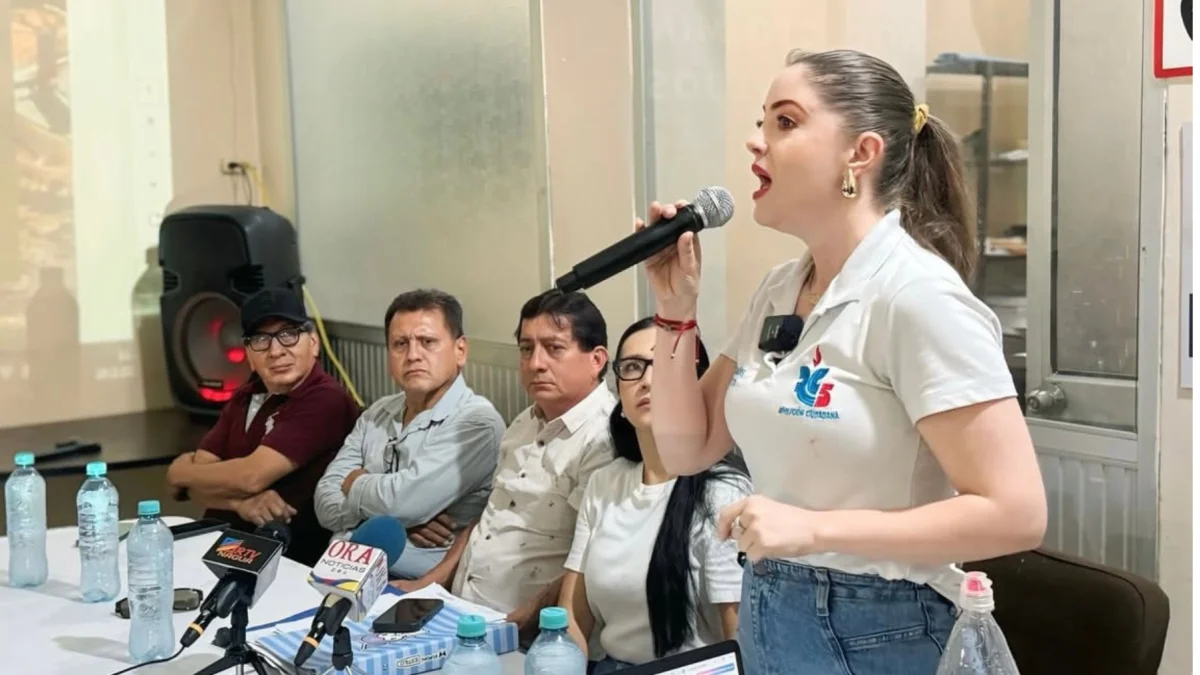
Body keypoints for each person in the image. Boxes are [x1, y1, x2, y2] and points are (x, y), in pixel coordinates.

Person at [640, 49, 1047, 675]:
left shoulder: (916, 297)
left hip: (884, 623)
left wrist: (812, 529)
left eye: (784, 122)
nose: (756, 142)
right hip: (772, 606)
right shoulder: (781, 286)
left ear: (860, 153)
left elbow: (1016, 513)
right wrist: (674, 310)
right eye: (762, 121)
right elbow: (685, 448)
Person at [401, 289, 616, 639]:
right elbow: (491, 514)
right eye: (526, 349)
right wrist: (428, 584)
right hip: (463, 614)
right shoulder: (524, 422)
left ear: (597, 359)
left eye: (554, 348)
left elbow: (587, 560)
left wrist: (522, 623)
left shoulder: (605, 438)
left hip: (528, 634)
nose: (535, 363)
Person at [560, 317, 750, 673]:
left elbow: (739, 640)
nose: (647, 380)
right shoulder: (605, 482)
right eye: (632, 367)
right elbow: (573, 614)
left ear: (699, 383)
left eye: (666, 367)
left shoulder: (723, 492)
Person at [314, 289, 506, 579]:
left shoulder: (477, 423)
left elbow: (402, 502)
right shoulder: (377, 413)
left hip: (421, 588)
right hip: (342, 573)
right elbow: (325, 504)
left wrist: (357, 484)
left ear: (460, 351)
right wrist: (401, 521)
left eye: (428, 342)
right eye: (400, 344)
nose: (413, 355)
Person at [166, 287, 361, 566]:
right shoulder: (246, 395)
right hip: (220, 544)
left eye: (289, 334)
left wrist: (180, 471)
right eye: (261, 339)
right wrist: (240, 504)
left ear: (314, 343)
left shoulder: (325, 399)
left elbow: (249, 477)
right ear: (248, 354)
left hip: (287, 558)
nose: (276, 351)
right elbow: (194, 486)